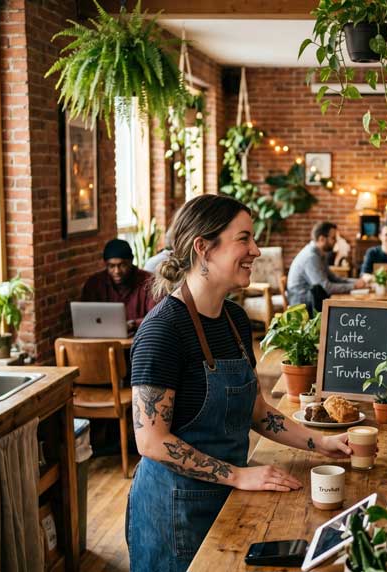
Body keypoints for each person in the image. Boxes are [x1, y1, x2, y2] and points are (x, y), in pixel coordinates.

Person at [126, 195, 352, 571]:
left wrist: (322, 442)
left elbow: (257, 411)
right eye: (243, 239)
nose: (256, 250)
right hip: (174, 510)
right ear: (203, 248)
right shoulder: (162, 331)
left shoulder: (233, 318)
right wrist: (238, 475)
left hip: (228, 496)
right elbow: (151, 440)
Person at [81, 239, 158, 331]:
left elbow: (156, 317)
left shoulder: (149, 281)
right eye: (111, 266)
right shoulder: (95, 283)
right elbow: (86, 316)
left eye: (122, 265)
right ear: (105, 264)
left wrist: (133, 324)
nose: (117, 271)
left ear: (131, 261)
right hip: (102, 337)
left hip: (140, 337)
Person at [287, 222, 365, 311]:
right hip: (302, 305)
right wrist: (354, 286)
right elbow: (326, 287)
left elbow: (334, 278)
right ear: (321, 239)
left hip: (312, 299)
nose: (336, 241)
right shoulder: (311, 257)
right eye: (333, 238)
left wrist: (356, 282)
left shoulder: (319, 254)